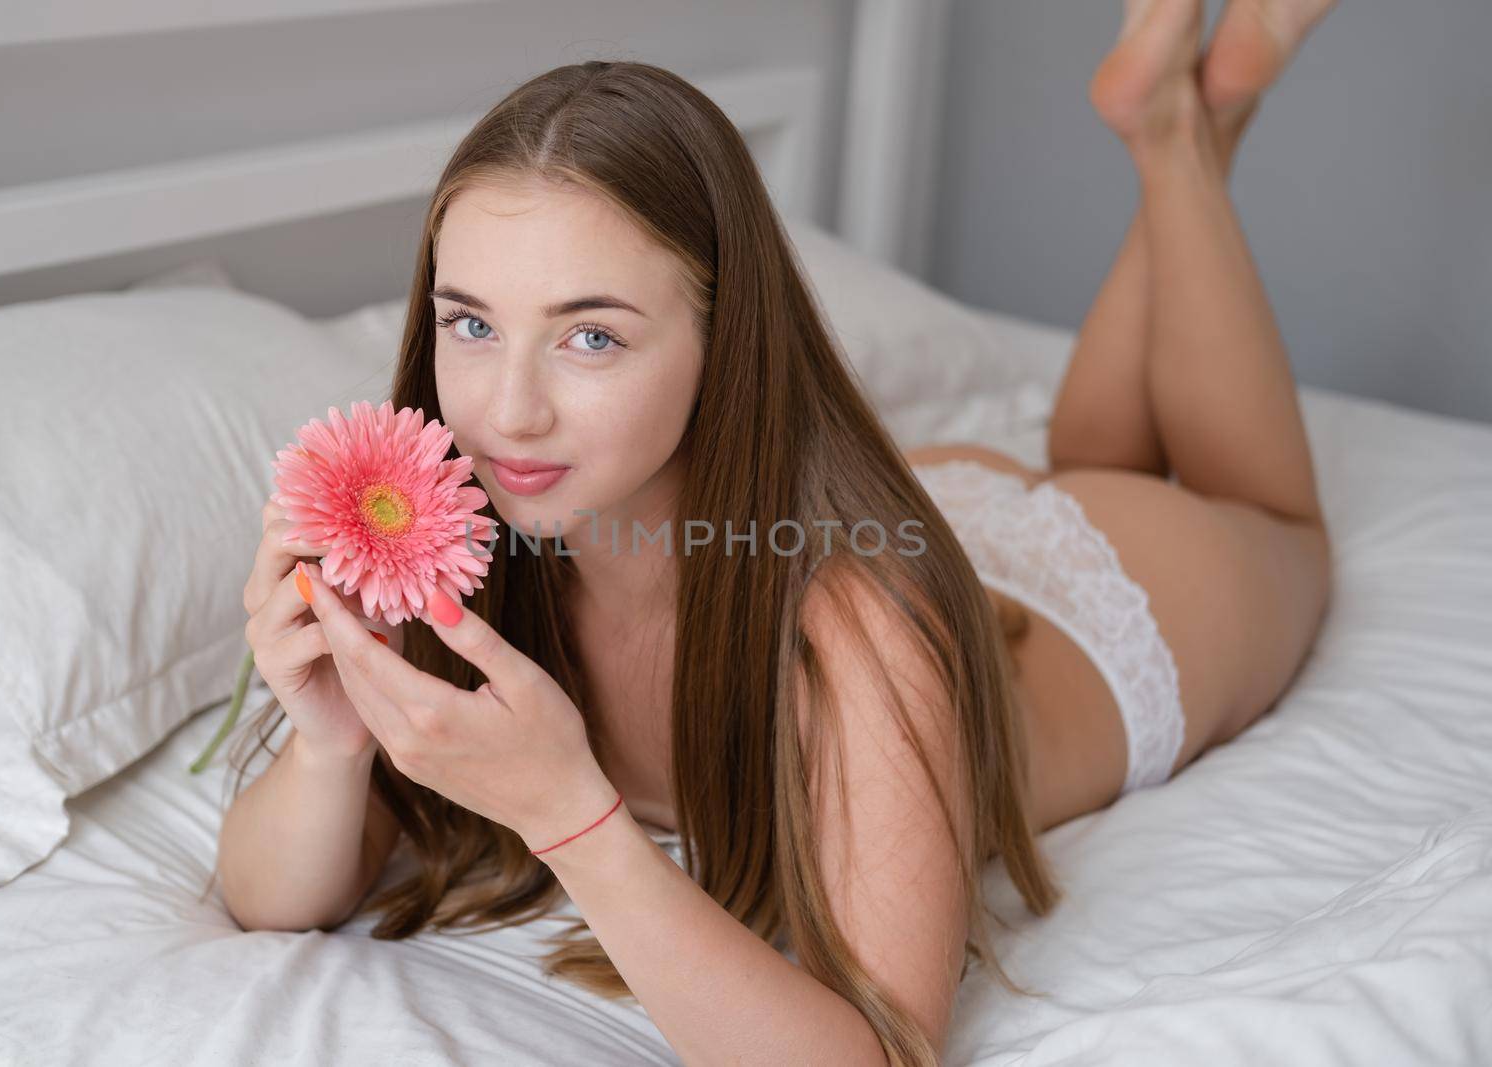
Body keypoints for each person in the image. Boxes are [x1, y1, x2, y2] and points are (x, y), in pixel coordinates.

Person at [211, 2, 1337, 1062]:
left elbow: (884, 1051)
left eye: (589, 337)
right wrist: (330, 741)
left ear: (725, 336)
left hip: (1088, 606)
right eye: (470, 322)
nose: (508, 410)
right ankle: (1176, 113)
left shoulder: (854, 629)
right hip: (909, 525)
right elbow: (269, 894)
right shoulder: (459, 542)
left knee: (1272, 519)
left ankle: (1181, 139)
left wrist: (571, 813)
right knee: (1089, 454)